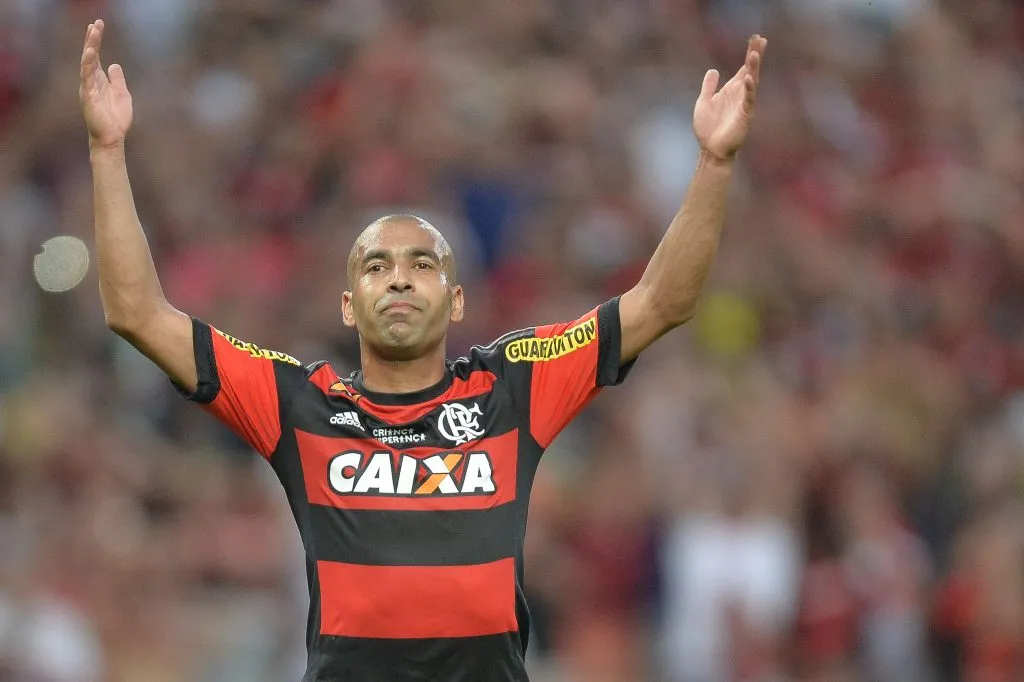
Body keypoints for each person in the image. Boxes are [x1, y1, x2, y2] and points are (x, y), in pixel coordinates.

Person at [79, 17, 766, 682]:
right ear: (348, 305)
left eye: (422, 264)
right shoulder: (300, 402)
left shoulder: (513, 385)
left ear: (456, 300)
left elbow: (661, 304)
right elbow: (137, 313)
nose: (399, 276)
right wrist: (107, 153)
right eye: (375, 267)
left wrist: (713, 161)